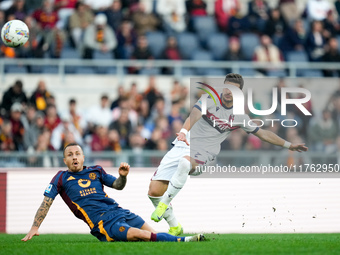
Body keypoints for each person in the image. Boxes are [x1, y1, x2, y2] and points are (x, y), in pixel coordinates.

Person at [148, 73, 308, 236]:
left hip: (205, 152)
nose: (229, 91)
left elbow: (263, 134)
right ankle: (175, 226)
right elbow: (194, 115)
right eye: (227, 86)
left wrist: (289, 145)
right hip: (184, 142)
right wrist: (183, 131)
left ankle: (165, 204)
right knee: (153, 192)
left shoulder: (239, 116)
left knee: (185, 163)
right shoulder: (208, 99)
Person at [21, 143, 204, 242]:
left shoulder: (96, 171)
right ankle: (186, 240)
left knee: (152, 235)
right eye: (70, 155)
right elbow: (46, 202)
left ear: (83, 157)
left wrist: (122, 176)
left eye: (77, 153)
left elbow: (118, 185)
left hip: (119, 211)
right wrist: (35, 227)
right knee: (140, 235)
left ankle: (177, 241)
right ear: (65, 160)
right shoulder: (60, 178)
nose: (74, 157)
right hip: (101, 222)